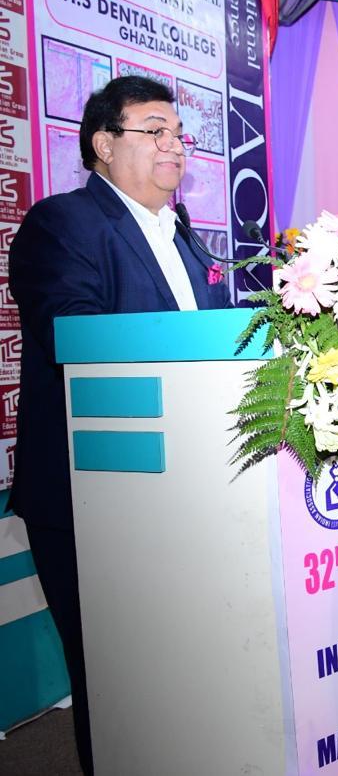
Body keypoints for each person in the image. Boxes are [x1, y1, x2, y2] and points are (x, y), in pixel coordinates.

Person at [8, 76, 231, 775]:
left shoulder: (185, 236)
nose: (175, 146)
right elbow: (72, 334)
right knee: (117, 679)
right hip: (95, 490)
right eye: (154, 131)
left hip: (184, 483)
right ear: (103, 144)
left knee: (182, 669)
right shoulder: (62, 223)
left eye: (179, 134)